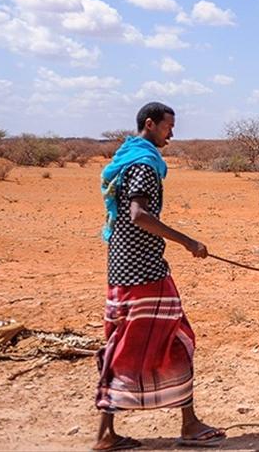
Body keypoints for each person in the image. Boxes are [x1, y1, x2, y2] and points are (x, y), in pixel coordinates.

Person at [92, 102, 224, 450]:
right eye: (168, 126)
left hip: (122, 268)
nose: (172, 133)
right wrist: (186, 241)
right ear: (150, 124)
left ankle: (106, 432)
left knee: (119, 345)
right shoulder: (144, 164)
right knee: (179, 339)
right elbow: (138, 215)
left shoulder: (126, 157)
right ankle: (190, 425)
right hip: (145, 272)